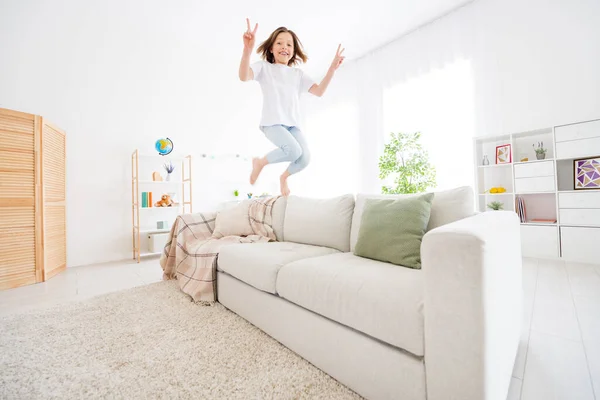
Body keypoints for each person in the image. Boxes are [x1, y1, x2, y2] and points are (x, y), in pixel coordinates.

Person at [239, 18, 345, 196]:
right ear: (271, 48)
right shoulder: (264, 68)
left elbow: (319, 91)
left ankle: (284, 178)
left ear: (293, 51)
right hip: (272, 123)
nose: (284, 47)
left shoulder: (297, 74)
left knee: (305, 158)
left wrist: (332, 69)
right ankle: (260, 163)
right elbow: (243, 76)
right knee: (293, 150)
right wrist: (247, 51)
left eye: (289, 44)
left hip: (292, 125)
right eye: (279, 43)